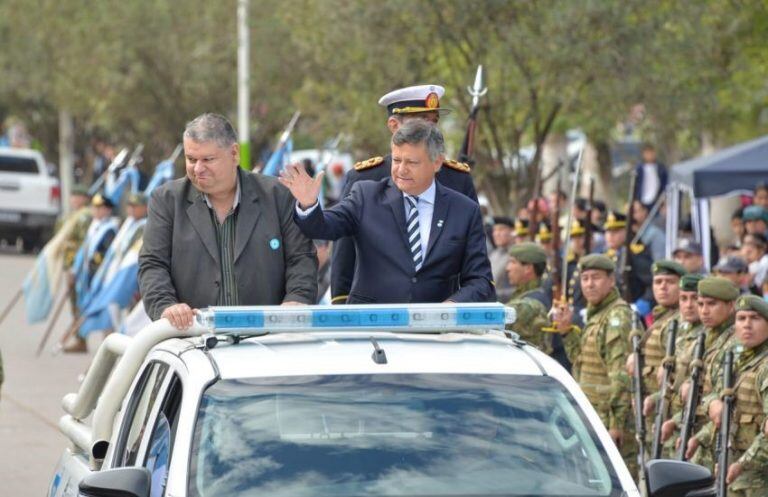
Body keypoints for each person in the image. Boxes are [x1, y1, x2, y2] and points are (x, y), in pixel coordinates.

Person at [282, 120, 494, 304]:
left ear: (437, 162)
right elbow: (323, 226)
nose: (401, 170)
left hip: (436, 335)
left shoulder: (465, 211)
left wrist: (451, 306)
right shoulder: (366, 196)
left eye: (411, 162)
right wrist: (309, 205)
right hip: (373, 331)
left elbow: (480, 281)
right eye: (397, 160)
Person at [139, 113, 318, 329]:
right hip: (195, 343)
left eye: (208, 159)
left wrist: (296, 301)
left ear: (234, 153)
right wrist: (166, 305)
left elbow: (301, 258)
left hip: (268, 341)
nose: (197, 169)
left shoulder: (278, 195)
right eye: (191, 159)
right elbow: (152, 264)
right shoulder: (166, 200)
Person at [330, 84, 477, 305]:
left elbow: (474, 262)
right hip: (376, 316)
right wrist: (342, 307)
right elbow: (344, 254)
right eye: (422, 121)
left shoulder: (456, 179)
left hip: (441, 318)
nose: (431, 128)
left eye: (433, 121)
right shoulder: (365, 179)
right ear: (393, 125)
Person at [552, 254, 636, 473]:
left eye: (596, 278)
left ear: (611, 280)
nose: (589, 284)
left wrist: (616, 424)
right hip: (595, 416)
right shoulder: (597, 315)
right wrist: (567, 331)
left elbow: (621, 375)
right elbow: (583, 362)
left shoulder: (617, 316)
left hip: (611, 422)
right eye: (585, 278)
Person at [687, 295, 768, 496]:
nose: (747, 325)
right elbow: (733, 416)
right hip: (736, 473)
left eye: (755, 318)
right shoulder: (739, 361)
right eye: (741, 319)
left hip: (758, 478)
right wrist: (700, 437)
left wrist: (742, 463)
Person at [678, 277, 739, 470]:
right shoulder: (709, 337)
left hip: (724, 439)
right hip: (705, 434)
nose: (704, 310)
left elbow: (726, 401)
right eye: (701, 304)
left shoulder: (735, 342)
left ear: (731, 306)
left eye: (712, 304)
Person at [626, 259, 686, 453]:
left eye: (669, 282)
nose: (663, 287)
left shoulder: (683, 321)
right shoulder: (660, 317)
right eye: (658, 282)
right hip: (652, 413)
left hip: (670, 414)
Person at [659, 273, 705, 456]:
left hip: (695, 426)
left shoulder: (708, 337)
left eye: (695, 299)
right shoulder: (681, 333)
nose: (688, 305)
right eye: (683, 299)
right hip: (676, 421)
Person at [602, 210, 654, 313]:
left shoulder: (635, 254)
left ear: (626, 232)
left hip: (632, 310)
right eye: (608, 231)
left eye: (616, 231)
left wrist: (642, 304)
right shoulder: (607, 256)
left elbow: (652, 282)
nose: (610, 235)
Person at [505, 243, 550, 351]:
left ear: (528, 268)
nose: (507, 268)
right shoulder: (527, 295)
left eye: (513, 262)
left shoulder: (531, 302)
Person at [633, 143, 668, 208]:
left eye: (651, 152)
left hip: (657, 202)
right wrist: (636, 200)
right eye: (647, 153)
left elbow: (665, 184)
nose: (649, 155)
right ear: (643, 154)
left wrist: (664, 198)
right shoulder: (639, 169)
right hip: (642, 202)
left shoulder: (661, 168)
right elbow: (635, 186)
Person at [489, 217, 515, 302]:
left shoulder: (516, 255)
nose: (497, 233)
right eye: (494, 230)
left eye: (501, 230)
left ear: (512, 231)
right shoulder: (493, 255)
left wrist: (494, 295)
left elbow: (520, 288)